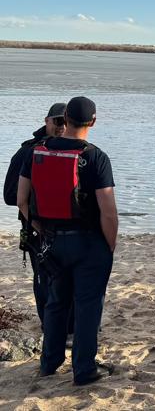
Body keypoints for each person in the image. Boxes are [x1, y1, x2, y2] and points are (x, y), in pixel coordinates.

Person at [17, 96, 118, 386]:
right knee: (87, 306)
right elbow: (108, 212)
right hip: (88, 243)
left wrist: (38, 226)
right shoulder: (95, 157)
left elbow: (22, 199)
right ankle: (84, 370)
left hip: (49, 241)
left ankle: (50, 362)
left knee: (55, 302)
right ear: (93, 121)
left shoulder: (35, 152)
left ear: (65, 119)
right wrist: (109, 245)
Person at [4, 102, 71, 329]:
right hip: (36, 229)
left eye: (66, 121)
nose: (62, 126)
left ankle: (69, 325)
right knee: (45, 277)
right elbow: (10, 195)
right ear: (47, 121)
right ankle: (49, 326)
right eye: (57, 121)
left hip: (69, 229)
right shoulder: (28, 151)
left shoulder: (77, 150)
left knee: (69, 278)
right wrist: (36, 211)